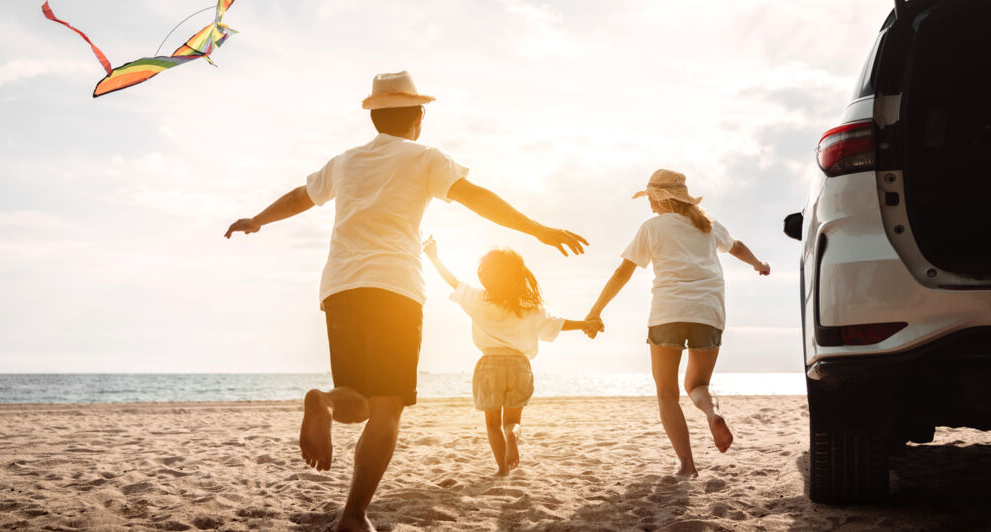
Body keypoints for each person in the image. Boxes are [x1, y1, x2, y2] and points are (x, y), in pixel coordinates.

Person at [223, 71, 588, 532]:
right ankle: (353, 515)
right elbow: (477, 199)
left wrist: (257, 220)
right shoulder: (426, 159)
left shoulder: (345, 162)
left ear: (374, 117)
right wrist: (537, 229)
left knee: (356, 401)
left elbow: (300, 197)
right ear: (418, 117)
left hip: (341, 287)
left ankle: (326, 405)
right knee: (387, 406)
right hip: (395, 289)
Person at [584, 169, 770, 477]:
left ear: (659, 198)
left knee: (667, 394)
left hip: (668, 314)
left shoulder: (652, 227)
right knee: (698, 385)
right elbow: (736, 246)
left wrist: (595, 311)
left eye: (650, 199)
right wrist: (758, 264)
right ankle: (713, 412)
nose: (649, 205)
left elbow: (623, 273)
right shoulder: (709, 225)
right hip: (708, 313)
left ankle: (686, 464)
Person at [422, 237, 601, 476]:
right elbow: (558, 323)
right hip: (519, 365)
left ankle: (503, 469)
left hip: (489, 365)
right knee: (512, 421)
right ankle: (512, 434)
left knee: (491, 423)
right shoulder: (529, 306)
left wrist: (434, 257)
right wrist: (585, 324)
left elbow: (453, 281)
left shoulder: (478, 299)